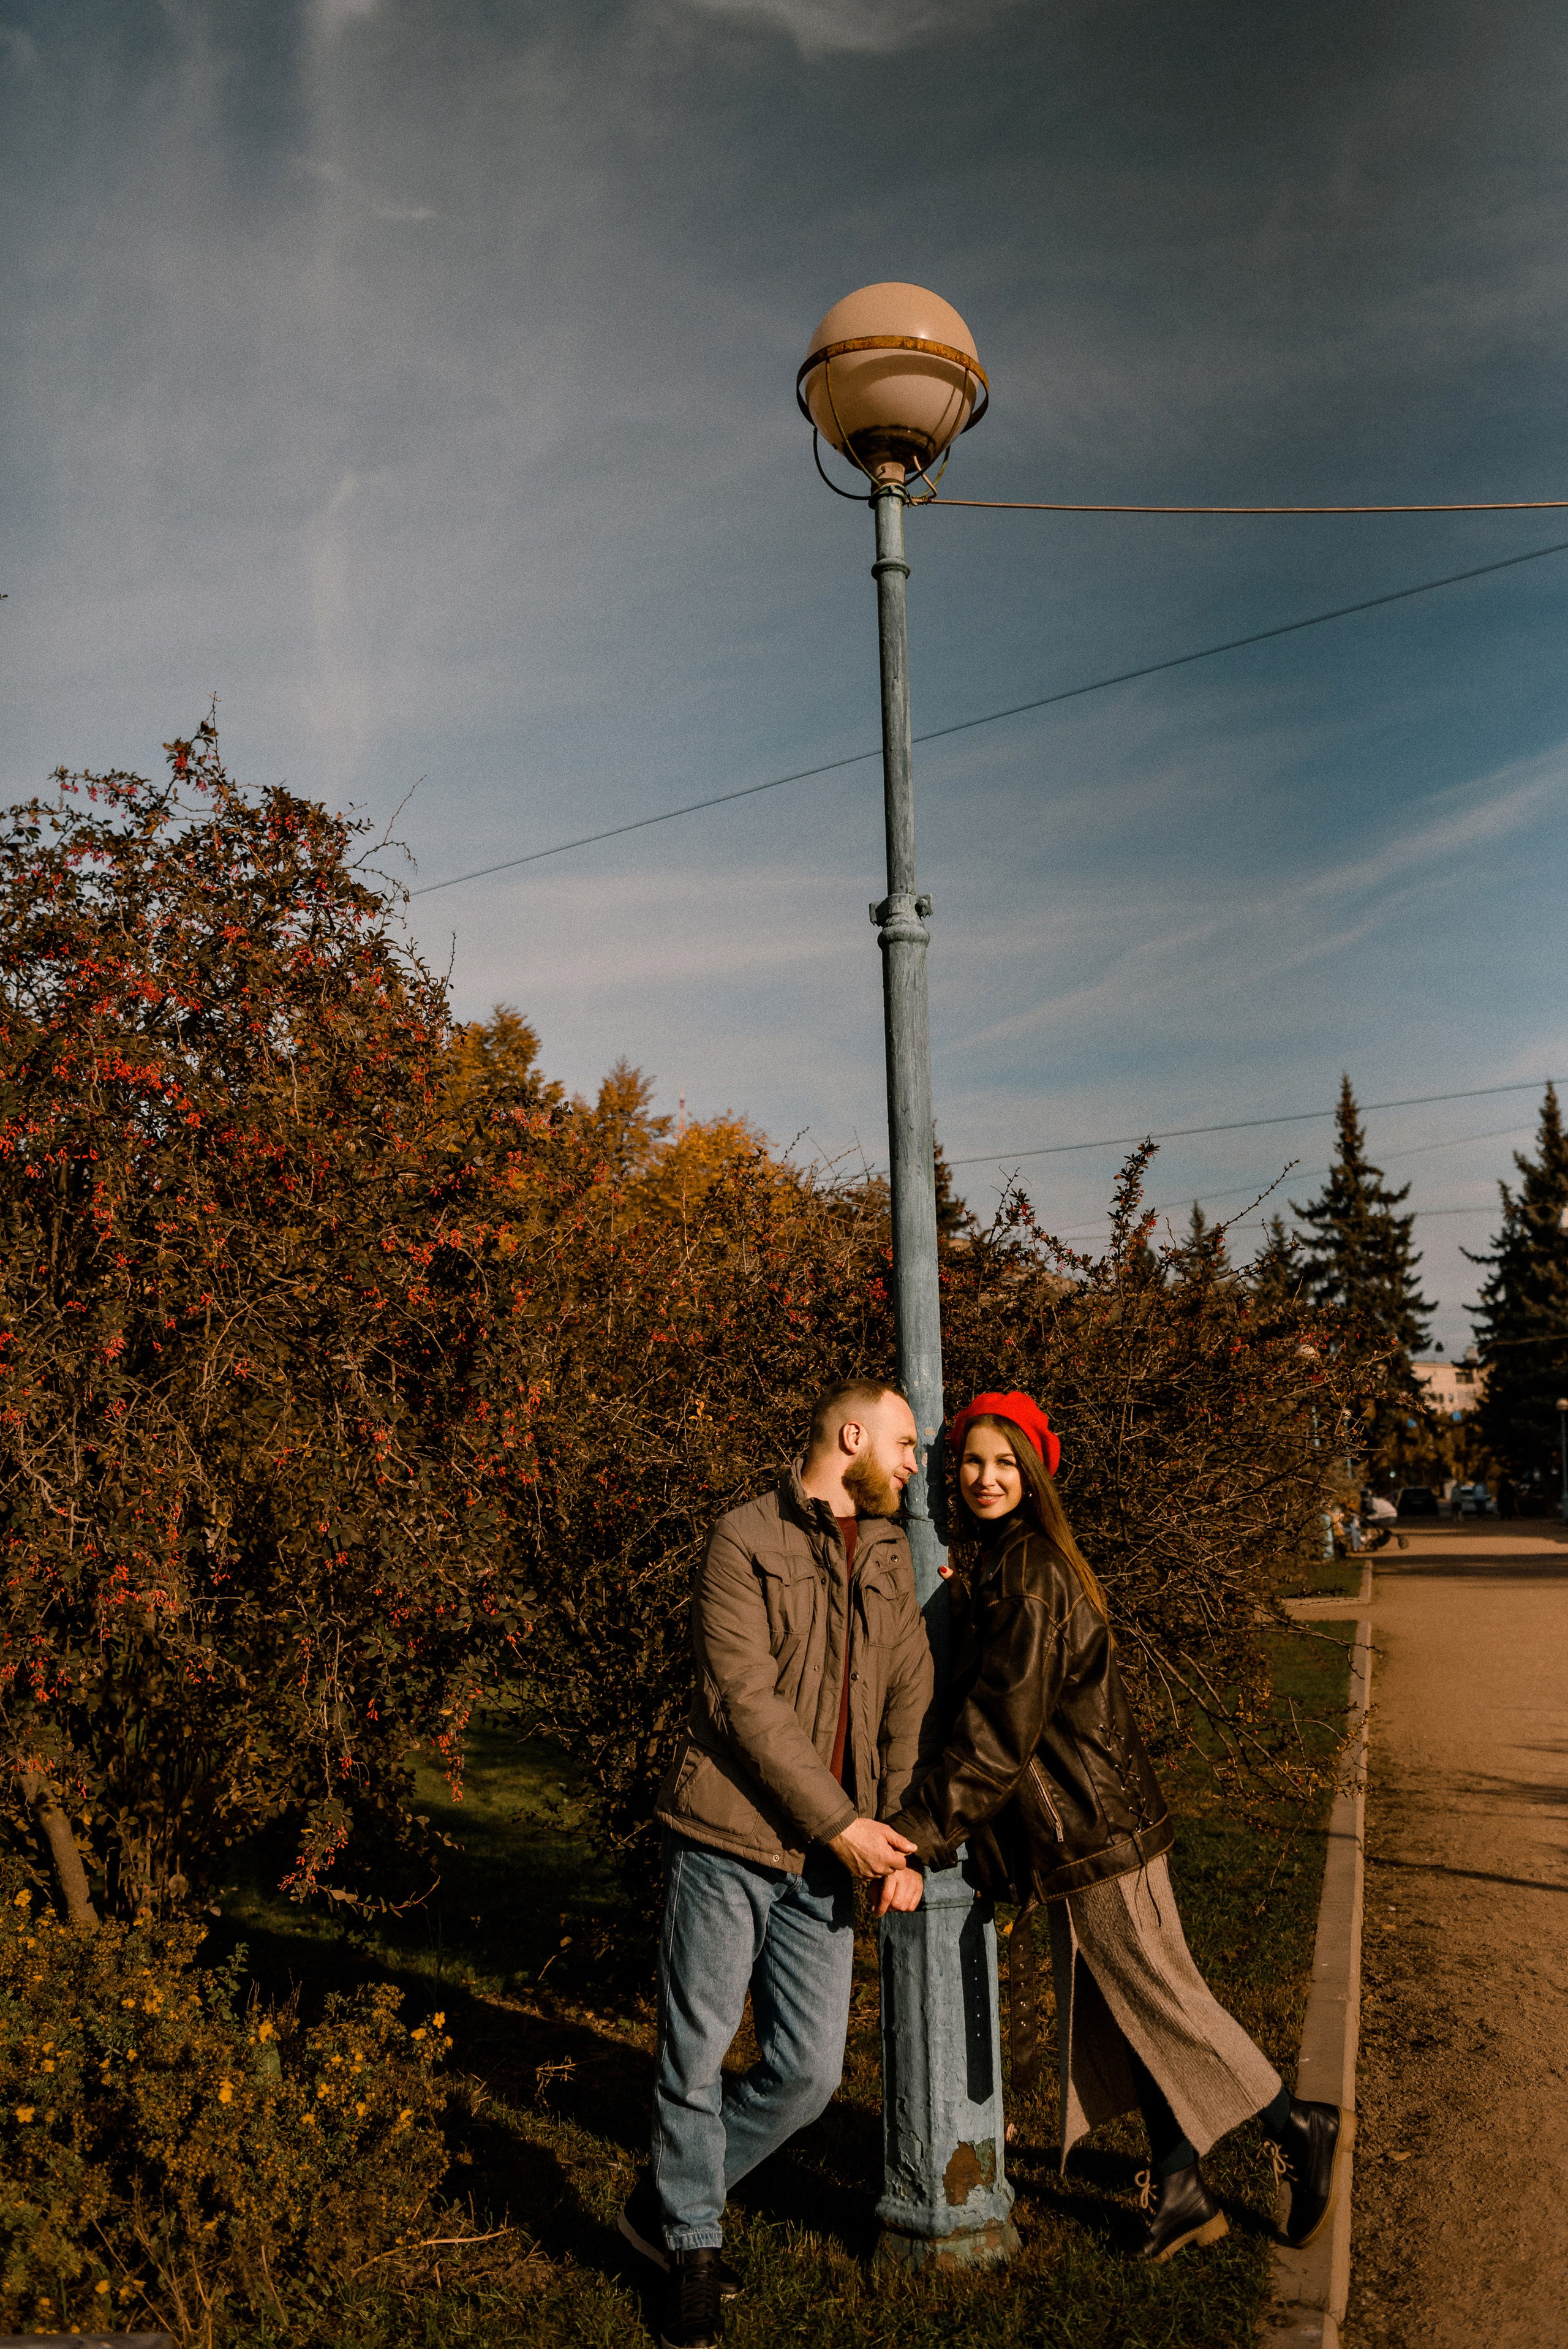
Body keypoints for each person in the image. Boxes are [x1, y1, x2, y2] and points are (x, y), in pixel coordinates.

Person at [888, 1390, 1350, 2265]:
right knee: (1135, 2012)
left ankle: (1300, 2126)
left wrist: (917, 1829)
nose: (986, 1478)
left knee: (1169, 2005)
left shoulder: (1027, 1574)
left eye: (1004, 1463)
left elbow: (998, 1735)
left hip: (1093, 1838)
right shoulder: (1010, 1564)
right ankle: (1179, 2190)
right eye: (973, 1462)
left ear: (1035, 1474)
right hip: (1082, 1836)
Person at [618, 1378, 934, 2348]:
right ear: (852, 1436)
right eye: (908, 1442)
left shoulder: (887, 1552)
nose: (918, 1461)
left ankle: (667, 2201)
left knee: (807, 2075)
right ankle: (692, 2252)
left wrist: (899, 1839)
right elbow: (741, 1702)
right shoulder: (742, 1539)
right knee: (696, 2056)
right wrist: (842, 1821)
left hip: (831, 1863)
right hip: (728, 1841)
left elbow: (908, 1700)